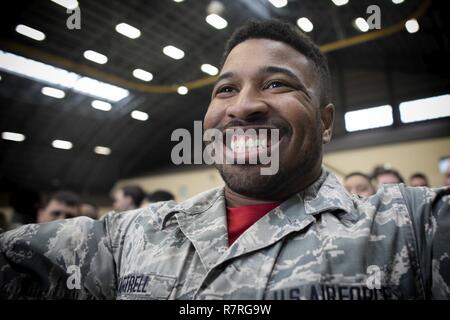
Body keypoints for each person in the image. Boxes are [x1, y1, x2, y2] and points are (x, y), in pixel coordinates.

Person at [0, 20, 449, 300]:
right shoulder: (127, 238)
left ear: (326, 122)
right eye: (226, 89)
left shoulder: (409, 229)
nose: (243, 106)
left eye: (277, 84)